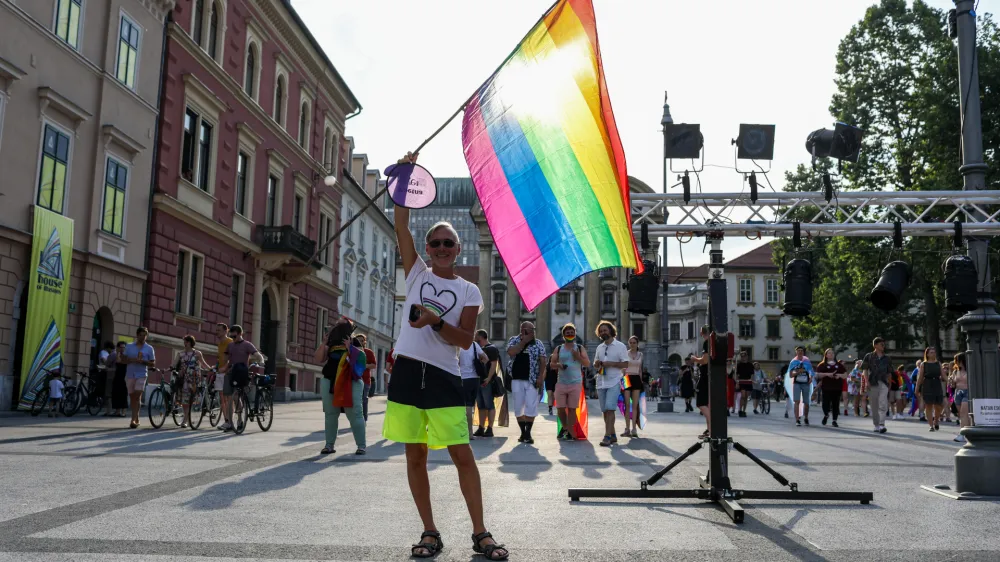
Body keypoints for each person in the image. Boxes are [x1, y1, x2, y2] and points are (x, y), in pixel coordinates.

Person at [382, 156, 508, 561]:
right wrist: (404, 176)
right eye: (434, 242)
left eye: (446, 243)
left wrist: (435, 322)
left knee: (461, 454)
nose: (439, 248)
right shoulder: (417, 272)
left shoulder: (470, 291)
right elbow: (401, 225)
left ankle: (481, 532)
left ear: (457, 250)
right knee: (415, 455)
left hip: (443, 375)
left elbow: (466, 338)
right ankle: (430, 532)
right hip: (406, 372)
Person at [314, 318, 367, 454]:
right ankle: (329, 445)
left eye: (341, 323)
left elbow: (361, 362)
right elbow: (319, 359)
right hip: (330, 380)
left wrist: (350, 348)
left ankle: (361, 445)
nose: (337, 324)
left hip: (351, 381)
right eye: (337, 323)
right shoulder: (331, 341)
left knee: (355, 413)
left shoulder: (354, 341)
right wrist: (323, 343)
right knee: (330, 414)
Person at [506, 321, 547, 445]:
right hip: (516, 379)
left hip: (532, 380)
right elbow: (511, 352)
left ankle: (527, 433)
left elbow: (543, 361)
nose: (533, 332)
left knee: (531, 406)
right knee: (518, 407)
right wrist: (523, 341)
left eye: (533, 330)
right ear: (523, 330)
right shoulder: (514, 340)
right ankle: (523, 432)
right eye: (530, 330)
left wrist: (541, 377)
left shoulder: (538, 343)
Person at [218, 325, 263, 433]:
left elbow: (257, 354)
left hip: (241, 372)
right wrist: (221, 366)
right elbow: (226, 359)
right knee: (228, 397)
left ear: (239, 334)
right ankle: (229, 422)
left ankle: (239, 420)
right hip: (231, 372)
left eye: (234, 336)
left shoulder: (247, 345)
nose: (233, 339)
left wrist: (261, 361)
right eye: (231, 337)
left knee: (237, 396)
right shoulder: (230, 345)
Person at [550, 323, 590, 440]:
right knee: (560, 408)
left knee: (572, 409)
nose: (570, 334)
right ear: (564, 335)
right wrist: (559, 365)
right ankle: (567, 428)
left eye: (572, 332)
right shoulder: (558, 348)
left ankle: (569, 430)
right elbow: (552, 364)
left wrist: (577, 356)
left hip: (575, 383)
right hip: (561, 382)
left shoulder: (579, 348)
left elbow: (587, 363)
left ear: (575, 334)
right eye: (567, 332)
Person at [594, 320, 629, 447]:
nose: (603, 332)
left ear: (611, 331)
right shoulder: (599, 347)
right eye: (601, 331)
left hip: (614, 381)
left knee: (610, 409)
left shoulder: (620, 346)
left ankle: (607, 436)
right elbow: (595, 363)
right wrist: (596, 364)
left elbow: (625, 364)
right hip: (601, 381)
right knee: (604, 410)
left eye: (605, 330)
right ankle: (613, 435)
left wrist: (611, 364)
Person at [173, 335, 212, 429]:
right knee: (184, 400)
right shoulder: (180, 353)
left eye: (186, 342)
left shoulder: (197, 353)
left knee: (190, 399)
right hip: (183, 379)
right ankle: (186, 419)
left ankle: (186, 419)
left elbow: (203, 363)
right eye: (184, 342)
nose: (184, 344)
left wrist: (211, 368)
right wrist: (170, 368)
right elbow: (174, 364)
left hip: (194, 379)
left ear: (191, 342)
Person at [123, 327, 155, 428]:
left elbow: (152, 363)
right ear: (137, 335)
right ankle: (136, 417)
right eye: (140, 335)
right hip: (130, 374)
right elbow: (123, 360)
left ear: (146, 336)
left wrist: (144, 362)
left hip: (141, 374)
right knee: (133, 397)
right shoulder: (129, 346)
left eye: (144, 335)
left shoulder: (149, 348)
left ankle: (133, 420)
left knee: (137, 396)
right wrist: (132, 360)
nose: (142, 337)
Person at [458, 335, 488, 439]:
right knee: (471, 405)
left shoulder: (458, 346)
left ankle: (465, 432)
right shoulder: (475, 345)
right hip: (475, 378)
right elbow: (486, 358)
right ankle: (470, 433)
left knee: (464, 406)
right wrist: (478, 362)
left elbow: (455, 361)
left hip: (463, 378)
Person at [473, 330, 501, 437]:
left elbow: (494, 365)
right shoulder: (478, 349)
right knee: (481, 405)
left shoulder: (491, 348)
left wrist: (488, 378)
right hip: (478, 380)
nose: (475, 338)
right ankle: (481, 427)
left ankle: (490, 428)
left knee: (489, 404)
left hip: (487, 381)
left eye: (476, 336)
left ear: (481, 337)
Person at [862, 337, 892, 434]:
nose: (883, 346)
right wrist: (867, 382)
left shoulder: (887, 358)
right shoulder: (869, 356)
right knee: (874, 405)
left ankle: (882, 424)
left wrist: (889, 383)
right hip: (872, 383)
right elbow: (865, 370)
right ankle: (876, 425)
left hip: (884, 383)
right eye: (881, 344)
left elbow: (889, 372)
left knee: (883, 404)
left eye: (884, 344)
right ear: (875, 345)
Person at [816, 348, 845, 427]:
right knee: (825, 404)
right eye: (829, 353)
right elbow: (817, 374)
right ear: (826, 355)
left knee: (835, 404)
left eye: (832, 353)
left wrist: (839, 375)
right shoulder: (822, 365)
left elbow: (845, 375)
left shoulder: (839, 365)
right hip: (826, 387)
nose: (831, 354)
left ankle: (834, 420)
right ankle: (826, 415)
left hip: (837, 387)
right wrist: (827, 374)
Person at [621, 335, 644, 437]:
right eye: (630, 342)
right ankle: (627, 429)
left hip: (636, 378)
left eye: (634, 342)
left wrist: (641, 380)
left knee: (635, 406)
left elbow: (640, 370)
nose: (632, 344)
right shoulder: (625, 354)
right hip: (627, 378)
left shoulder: (641, 354)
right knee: (627, 405)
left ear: (637, 343)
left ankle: (634, 429)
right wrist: (621, 380)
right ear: (628, 343)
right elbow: (623, 369)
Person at [916, 348, 944, 432]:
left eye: (934, 352)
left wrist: (949, 380)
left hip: (937, 384)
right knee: (928, 405)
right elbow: (920, 378)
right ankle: (931, 425)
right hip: (927, 384)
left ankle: (936, 420)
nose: (933, 354)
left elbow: (943, 375)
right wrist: (917, 388)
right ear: (927, 354)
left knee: (939, 405)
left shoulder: (938, 363)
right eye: (931, 352)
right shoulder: (923, 364)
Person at [693, 326, 712, 437]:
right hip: (711, 376)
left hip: (705, 376)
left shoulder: (707, 342)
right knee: (707, 404)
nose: (701, 335)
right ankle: (709, 429)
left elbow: (704, 360)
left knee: (701, 403)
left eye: (701, 333)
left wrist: (695, 359)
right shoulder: (714, 342)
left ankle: (712, 427)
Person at [788, 346, 814, 426]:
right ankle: (797, 420)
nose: (800, 352)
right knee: (797, 401)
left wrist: (811, 378)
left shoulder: (807, 361)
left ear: (803, 352)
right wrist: (798, 372)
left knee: (806, 402)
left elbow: (811, 372)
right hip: (797, 383)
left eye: (801, 351)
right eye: (798, 350)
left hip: (806, 383)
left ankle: (806, 418)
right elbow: (790, 375)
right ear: (796, 352)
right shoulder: (793, 362)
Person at [215, 323, 233, 429]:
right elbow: (220, 358)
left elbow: (231, 358)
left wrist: (225, 367)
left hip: (228, 372)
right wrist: (216, 366)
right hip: (220, 372)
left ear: (226, 331)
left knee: (228, 398)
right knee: (222, 398)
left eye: (219, 330)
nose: (217, 332)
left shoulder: (229, 342)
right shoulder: (220, 344)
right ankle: (226, 420)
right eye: (216, 330)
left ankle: (229, 420)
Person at [356, 334, 378, 421]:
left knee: (364, 400)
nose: (360, 342)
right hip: (354, 379)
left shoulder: (369, 352)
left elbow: (374, 365)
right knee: (356, 400)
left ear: (364, 341)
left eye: (362, 340)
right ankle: (356, 418)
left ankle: (363, 419)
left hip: (365, 380)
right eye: (358, 340)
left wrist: (365, 365)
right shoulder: (352, 351)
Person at [951, 352, 970, 443]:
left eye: (957, 360)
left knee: (964, 413)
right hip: (958, 393)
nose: (956, 362)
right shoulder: (956, 371)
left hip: (967, 392)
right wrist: (951, 381)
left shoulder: (969, 369)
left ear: (962, 360)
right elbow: (953, 384)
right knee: (962, 415)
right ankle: (968, 432)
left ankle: (962, 434)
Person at [111, 341, 129, 417]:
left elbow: (119, 361)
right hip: (117, 376)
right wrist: (118, 353)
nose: (122, 349)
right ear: (118, 348)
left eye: (123, 347)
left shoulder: (126, 356)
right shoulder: (117, 355)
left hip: (124, 377)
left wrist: (118, 354)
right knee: (116, 393)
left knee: (123, 394)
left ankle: (124, 411)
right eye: (120, 347)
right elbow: (116, 362)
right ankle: (117, 411)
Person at [97, 341, 114, 416]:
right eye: (110, 349)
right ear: (108, 348)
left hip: (108, 372)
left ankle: (107, 408)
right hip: (103, 372)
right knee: (104, 389)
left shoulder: (109, 353)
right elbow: (104, 361)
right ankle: (103, 404)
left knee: (108, 390)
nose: (111, 350)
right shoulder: (103, 352)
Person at [735, 351, 754, 417]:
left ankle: (744, 410)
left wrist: (751, 380)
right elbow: (737, 375)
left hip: (748, 382)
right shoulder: (739, 365)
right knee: (742, 396)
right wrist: (737, 382)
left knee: (746, 397)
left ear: (747, 356)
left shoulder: (750, 365)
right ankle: (740, 410)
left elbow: (752, 374)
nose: (743, 357)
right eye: (742, 356)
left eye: (744, 356)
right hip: (741, 381)